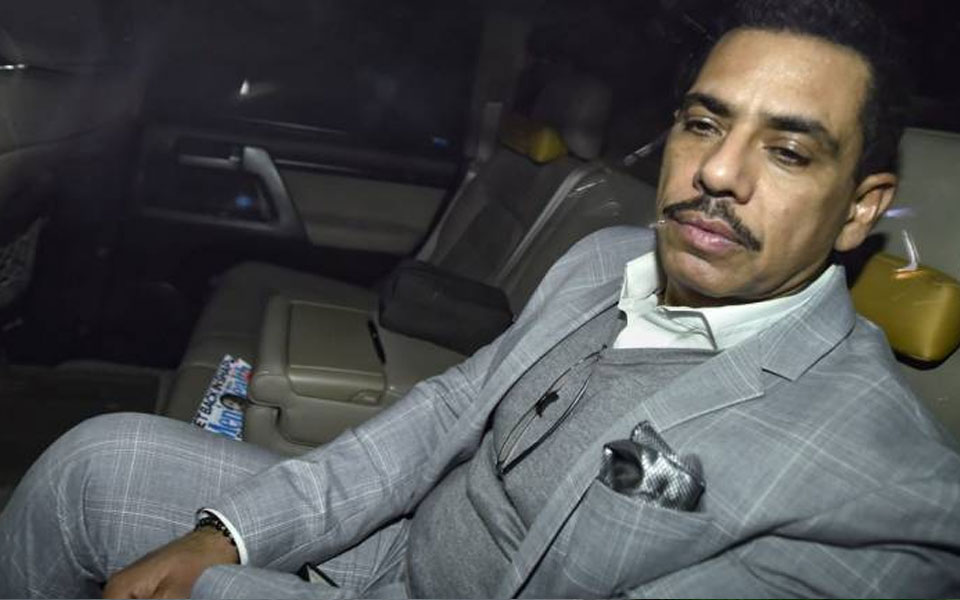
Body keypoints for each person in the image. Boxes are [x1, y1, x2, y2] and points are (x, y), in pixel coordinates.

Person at [3, 0, 960, 597]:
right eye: (705, 124)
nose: (717, 172)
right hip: (396, 548)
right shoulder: (607, 258)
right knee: (94, 459)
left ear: (859, 208)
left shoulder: (881, 496)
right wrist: (236, 535)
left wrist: (230, 585)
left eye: (788, 151)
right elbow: (448, 410)